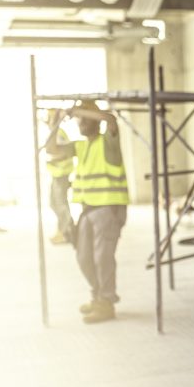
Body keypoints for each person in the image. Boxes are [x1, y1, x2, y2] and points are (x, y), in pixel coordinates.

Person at [46, 101, 128, 324]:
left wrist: (76, 111)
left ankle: (106, 303)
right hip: (87, 210)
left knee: (103, 257)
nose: (80, 123)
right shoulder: (80, 146)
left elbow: (110, 119)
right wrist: (55, 122)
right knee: (84, 258)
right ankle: (97, 296)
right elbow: (52, 149)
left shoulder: (108, 143)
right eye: (79, 120)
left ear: (94, 120)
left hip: (108, 209)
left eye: (85, 119)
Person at [44, 110, 75, 245]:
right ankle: (66, 230)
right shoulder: (54, 133)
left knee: (61, 205)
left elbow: (63, 153)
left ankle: (66, 232)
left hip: (62, 174)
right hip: (56, 174)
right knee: (54, 203)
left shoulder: (59, 133)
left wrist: (52, 160)